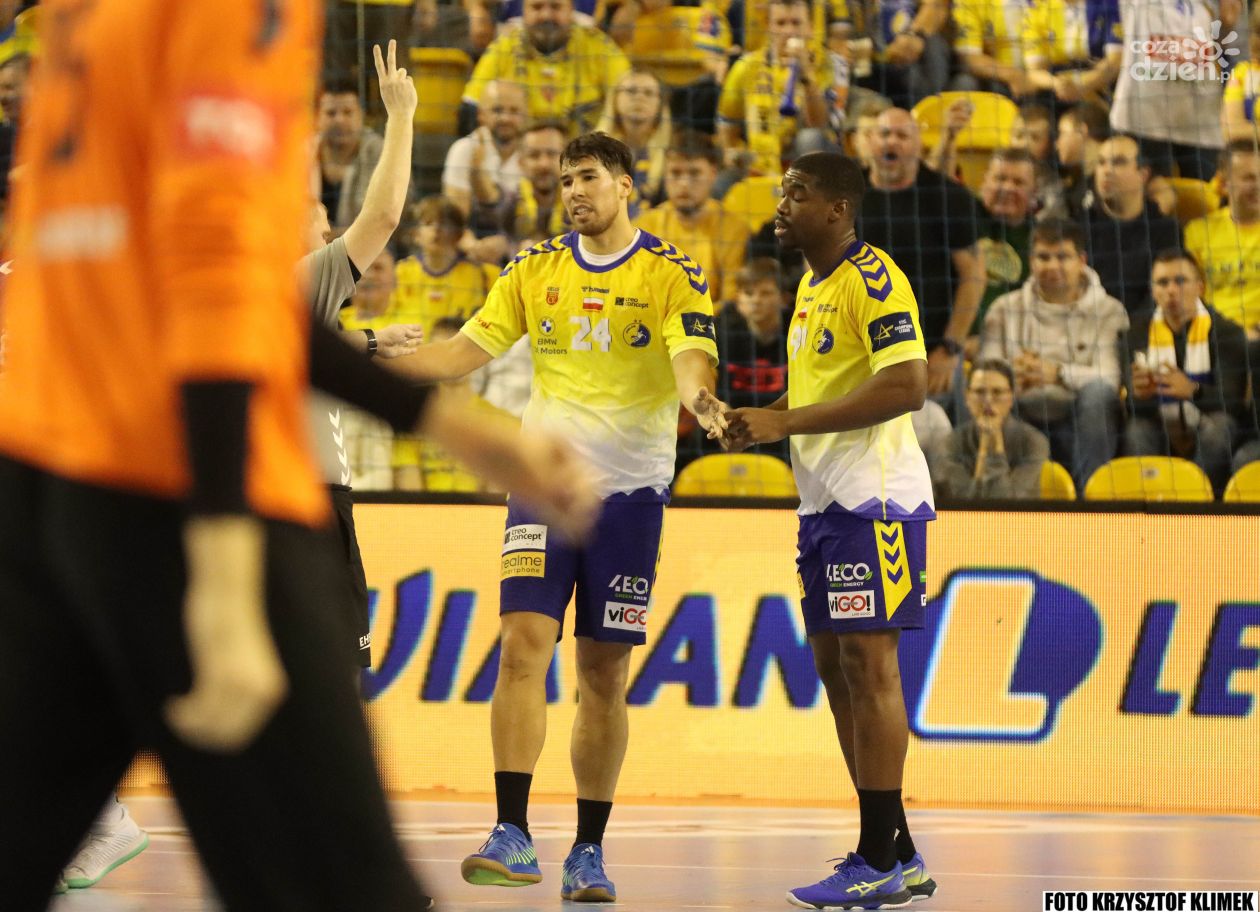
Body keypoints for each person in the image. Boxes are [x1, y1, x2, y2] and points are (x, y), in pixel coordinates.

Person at [0, 5, 598, 911]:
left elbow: (201, 291)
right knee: (351, 887)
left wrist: (444, 420)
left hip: (47, 491)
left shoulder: (84, 22)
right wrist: (224, 566)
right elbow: (211, 284)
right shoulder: (228, 14)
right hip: (179, 498)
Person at [389, 131, 729, 904]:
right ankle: (510, 831)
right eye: (567, 180)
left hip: (631, 496)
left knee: (603, 674)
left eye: (588, 177)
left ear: (626, 185)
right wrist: (365, 362)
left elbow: (690, 362)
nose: (573, 191)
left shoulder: (671, 272)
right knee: (521, 645)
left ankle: (588, 850)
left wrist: (704, 403)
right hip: (544, 489)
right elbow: (463, 352)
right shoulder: (533, 268)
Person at [723, 151, 936, 909]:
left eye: (798, 194)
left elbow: (908, 385)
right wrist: (762, 418)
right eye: (783, 192)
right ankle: (899, 850)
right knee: (835, 668)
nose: (781, 205)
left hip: (873, 502)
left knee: (870, 669)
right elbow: (824, 387)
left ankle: (874, 857)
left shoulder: (874, 279)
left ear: (838, 209)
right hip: (821, 504)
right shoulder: (813, 285)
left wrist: (784, 422)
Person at [980, 219, 1129, 489]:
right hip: (1019, 414)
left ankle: (1092, 497)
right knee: (987, 392)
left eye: (1062, 257)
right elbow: (986, 373)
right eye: (1043, 257)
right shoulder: (1003, 308)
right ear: (1031, 261)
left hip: (1080, 417)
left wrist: (1057, 373)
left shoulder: (1110, 310)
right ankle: (995, 493)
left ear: (1081, 261)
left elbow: (1109, 378)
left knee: (1099, 395)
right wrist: (1013, 376)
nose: (1052, 266)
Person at [859, 107, 986, 400]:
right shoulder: (847, 194)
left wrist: (950, 348)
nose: (892, 141)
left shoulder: (948, 196)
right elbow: (820, 267)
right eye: (884, 134)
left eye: (902, 135)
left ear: (918, 146)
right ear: (869, 141)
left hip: (930, 351)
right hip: (859, 350)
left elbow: (974, 276)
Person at [1124, 250, 1251, 497]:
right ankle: (1150, 504)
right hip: (1160, 426)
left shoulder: (1226, 332)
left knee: (1220, 427)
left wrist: (1193, 390)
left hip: (1209, 426)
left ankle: (1198, 504)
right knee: (1136, 430)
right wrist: (1139, 396)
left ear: (1200, 287)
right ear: (1153, 291)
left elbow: (1233, 402)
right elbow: (1131, 406)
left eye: (1180, 281)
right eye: (1163, 283)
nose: (1171, 290)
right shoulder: (1136, 334)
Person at [462, 0, 630, 134]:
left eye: (556, 7)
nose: (546, 15)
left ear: (571, 10)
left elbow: (628, 97)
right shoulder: (504, 48)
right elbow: (471, 106)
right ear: (524, 12)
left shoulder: (599, 48)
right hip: (521, 158)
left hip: (588, 156)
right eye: (537, 7)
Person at [635, 130, 751, 305]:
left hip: (711, 320)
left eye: (694, 173)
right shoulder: (644, 227)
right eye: (675, 173)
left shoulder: (734, 229)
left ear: (713, 174)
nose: (684, 183)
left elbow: (731, 301)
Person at [1079, 134, 1182, 315]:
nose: (1106, 170)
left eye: (1118, 162)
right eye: (1101, 162)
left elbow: (1163, 296)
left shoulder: (1166, 230)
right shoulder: (1079, 227)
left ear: (1143, 174)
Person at [927, 358, 1049, 499]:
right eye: (979, 392)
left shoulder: (1034, 442)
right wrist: (986, 448)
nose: (988, 400)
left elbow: (1007, 504)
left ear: (1011, 397)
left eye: (997, 392)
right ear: (967, 397)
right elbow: (966, 506)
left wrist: (995, 451)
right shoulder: (949, 445)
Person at [1183, 140, 1260, 341]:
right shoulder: (1198, 232)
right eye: (1249, 178)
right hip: (1215, 337)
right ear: (1224, 184)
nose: (1258, 186)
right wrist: (1231, 334)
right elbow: (1189, 297)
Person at [442, 80, 529, 221]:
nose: (506, 118)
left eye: (514, 111)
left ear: (526, 115)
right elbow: (456, 219)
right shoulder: (464, 149)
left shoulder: (537, 154)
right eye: (497, 110)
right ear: (480, 114)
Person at [315, 74, 384, 229]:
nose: (340, 120)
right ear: (317, 117)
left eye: (348, 112)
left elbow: (382, 218)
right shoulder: (303, 151)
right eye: (331, 113)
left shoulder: (378, 152)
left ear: (361, 115)